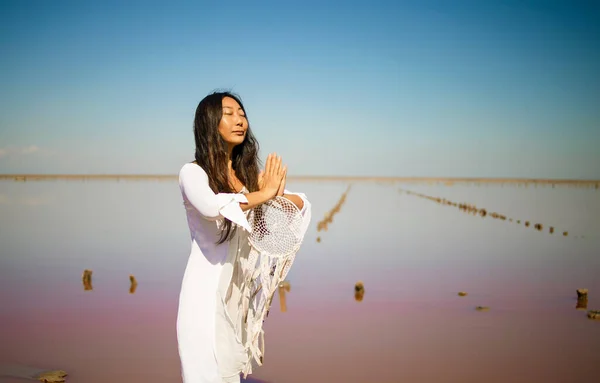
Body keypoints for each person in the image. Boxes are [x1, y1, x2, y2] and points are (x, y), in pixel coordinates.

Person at [176, 91, 311, 383]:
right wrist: (263, 194)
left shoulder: (247, 179)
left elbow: (296, 208)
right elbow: (213, 208)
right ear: (210, 122)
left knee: (229, 374)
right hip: (205, 296)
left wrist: (274, 195)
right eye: (229, 113)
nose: (240, 120)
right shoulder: (192, 173)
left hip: (237, 297)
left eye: (242, 113)